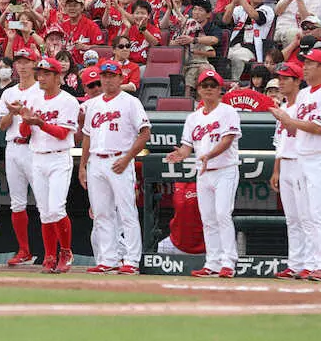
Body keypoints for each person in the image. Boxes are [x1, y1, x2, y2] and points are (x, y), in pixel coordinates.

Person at [269, 48, 321, 282]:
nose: (306, 67)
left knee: (320, 214)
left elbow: (319, 128)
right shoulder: (303, 95)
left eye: (311, 63)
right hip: (302, 156)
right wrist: (285, 119)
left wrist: (288, 120)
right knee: (305, 215)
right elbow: (294, 129)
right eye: (305, 63)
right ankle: (310, 264)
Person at [164, 69, 241, 279]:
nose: (208, 89)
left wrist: (209, 155)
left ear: (219, 89)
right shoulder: (193, 117)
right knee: (207, 218)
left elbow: (227, 140)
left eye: (212, 85)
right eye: (204, 85)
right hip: (203, 172)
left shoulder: (228, 111)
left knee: (222, 215)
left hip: (225, 169)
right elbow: (187, 147)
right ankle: (212, 262)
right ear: (198, 89)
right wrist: (179, 154)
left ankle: (228, 262)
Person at [80, 60, 151, 274]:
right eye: (105, 76)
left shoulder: (130, 102)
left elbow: (145, 133)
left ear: (121, 78)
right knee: (102, 213)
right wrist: (82, 166)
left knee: (127, 212)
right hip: (96, 161)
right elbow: (87, 136)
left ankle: (131, 260)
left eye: (112, 75)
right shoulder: (93, 104)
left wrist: (128, 158)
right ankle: (108, 259)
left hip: (119, 159)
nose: (108, 79)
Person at [20, 56, 79, 273]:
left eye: (46, 74)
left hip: (59, 157)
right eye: (40, 73)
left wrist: (39, 122)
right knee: (44, 212)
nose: (41, 78)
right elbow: (23, 133)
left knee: (56, 208)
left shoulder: (68, 101)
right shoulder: (34, 98)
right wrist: (26, 121)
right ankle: (49, 256)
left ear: (57, 76)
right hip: (37, 156)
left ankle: (66, 251)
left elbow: (62, 133)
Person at [0, 47, 42, 265]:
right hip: (13, 146)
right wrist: (12, 112)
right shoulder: (9, 92)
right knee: (17, 203)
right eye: (19, 62)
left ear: (34, 64)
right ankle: (24, 250)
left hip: (35, 146)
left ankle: (54, 252)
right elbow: (2, 126)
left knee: (45, 202)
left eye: (26, 62)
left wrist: (24, 113)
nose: (22, 66)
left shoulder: (41, 90)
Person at [270, 62, 311, 280]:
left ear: (297, 81)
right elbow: (280, 142)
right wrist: (276, 170)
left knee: (306, 217)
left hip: (301, 162)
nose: (281, 82)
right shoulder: (284, 108)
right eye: (280, 78)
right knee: (292, 219)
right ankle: (295, 264)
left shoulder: (304, 105)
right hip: (285, 163)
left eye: (286, 78)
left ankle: (311, 263)